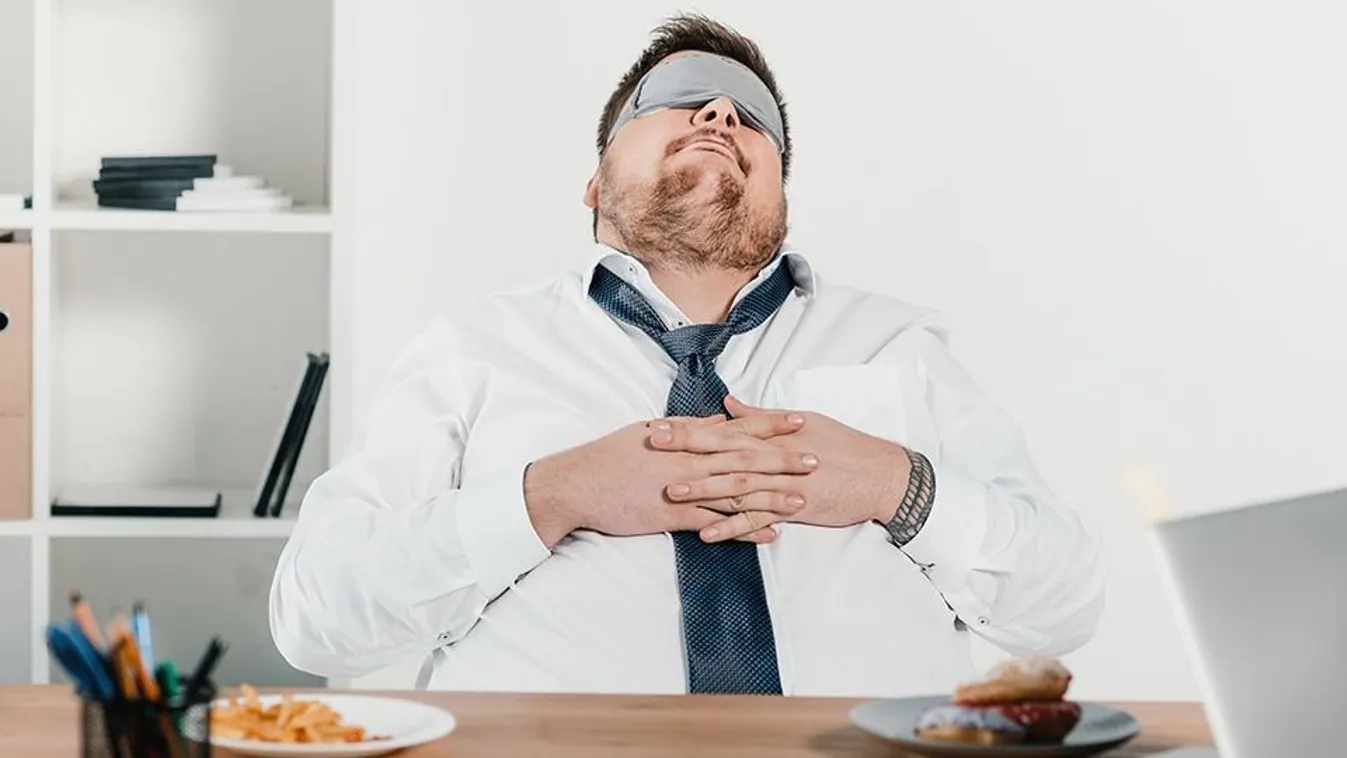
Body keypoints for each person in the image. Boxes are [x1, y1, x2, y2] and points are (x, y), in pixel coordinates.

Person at [269, 13, 1105, 697]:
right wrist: (549, 498)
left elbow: (1062, 604)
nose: (718, 117)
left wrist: (897, 485)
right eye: (674, 103)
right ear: (596, 182)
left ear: (781, 198)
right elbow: (316, 622)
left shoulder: (899, 347)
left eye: (752, 120)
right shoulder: (471, 353)